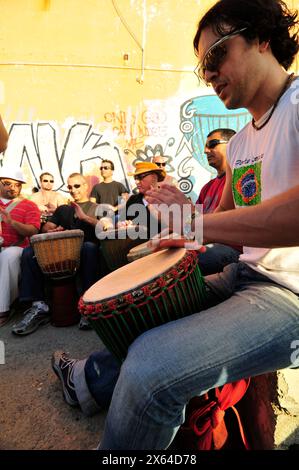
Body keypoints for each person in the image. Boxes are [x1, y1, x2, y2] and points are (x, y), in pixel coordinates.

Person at [52, 0, 299, 450]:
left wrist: (198, 227)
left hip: (291, 296)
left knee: (151, 369)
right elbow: (227, 222)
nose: (208, 73)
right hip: (247, 277)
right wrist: (188, 214)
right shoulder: (243, 140)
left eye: (216, 55)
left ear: (263, 39)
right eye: (202, 66)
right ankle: (87, 382)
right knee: (140, 320)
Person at [12, 173, 102, 335]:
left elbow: (106, 227)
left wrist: (85, 218)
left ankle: (89, 304)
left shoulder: (97, 208)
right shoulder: (63, 209)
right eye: (69, 187)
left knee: (89, 247)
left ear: (86, 186)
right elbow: (47, 227)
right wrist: (53, 229)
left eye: (77, 186)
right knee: (28, 251)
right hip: (59, 252)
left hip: (84, 253)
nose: (73, 190)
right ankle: (38, 305)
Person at [196, 128, 241, 275]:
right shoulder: (206, 188)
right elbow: (194, 223)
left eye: (212, 144)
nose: (205, 151)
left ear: (232, 145)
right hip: (206, 242)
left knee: (190, 260)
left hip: (232, 248)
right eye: (205, 146)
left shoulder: (241, 177)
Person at [0, 167, 40, 326]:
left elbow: (33, 230)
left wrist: (12, 222)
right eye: (7, 183)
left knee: (8, 256)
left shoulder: (29, 205)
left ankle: (2, 309)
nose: (13, 187)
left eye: (18, 185)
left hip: (16, 248)